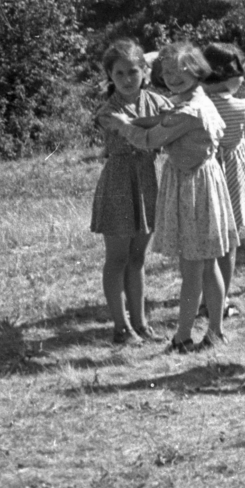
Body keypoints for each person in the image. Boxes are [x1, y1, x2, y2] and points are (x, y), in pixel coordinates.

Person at [101, 42, 237, 354]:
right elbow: (162, 118)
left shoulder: (189, 110)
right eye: (169, 72)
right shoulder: (192, 100)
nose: (174, 77)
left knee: (192, 266)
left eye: (182, 71)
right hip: (202, 183)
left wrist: (124, 126)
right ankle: (215, 332)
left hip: (193, 187)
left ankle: (183, 337)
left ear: (198, 70)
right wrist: (137, 121)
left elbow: (152, 139)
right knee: (207, 263)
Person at [90, 38, 171, 344]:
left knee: (138, 258)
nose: (126, 79)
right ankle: (121, 327)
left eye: (133, 72)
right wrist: (163, 123)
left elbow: (172, 118)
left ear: (145, 72)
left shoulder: (157, 101)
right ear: (110, 76)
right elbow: (142, 127)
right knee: (117, 258)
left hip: (147, 181)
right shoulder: (108, 110)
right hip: (119, 183)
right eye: (119, 74)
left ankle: (141, 323)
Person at [202, 43, 245, 317]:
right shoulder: (243, 106)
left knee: (205, 241)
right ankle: (222, 300)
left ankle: (204, 298)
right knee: (229, 240)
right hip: (232, 173)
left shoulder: (197, 104)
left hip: (204, 173)